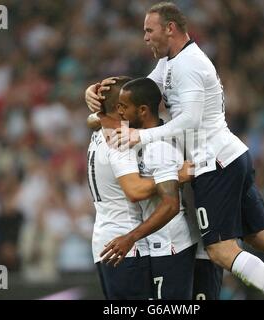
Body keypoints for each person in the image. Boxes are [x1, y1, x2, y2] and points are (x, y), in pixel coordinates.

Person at [87, 2, 264, 300]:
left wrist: (142, 137)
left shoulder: (190, 64)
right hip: (231, 155)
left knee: (220, 250)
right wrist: (93, 98)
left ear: (170, 28)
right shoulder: (169, 63)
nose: (145, 37)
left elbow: (189, 119)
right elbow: (135, 98)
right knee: (262, 236)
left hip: (213, 163)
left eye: (149, 30)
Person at [101, 78, 199, 299]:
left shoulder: (159, 148)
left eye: (124, 106)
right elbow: (100, 120)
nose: (120, 112)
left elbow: (170, 206)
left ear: (143, 110)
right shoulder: (147, 136)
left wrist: (131, 237)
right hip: (159, 244)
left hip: (170, 245)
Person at [87, 76, 153, 300]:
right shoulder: (118, 141)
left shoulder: (99, 132)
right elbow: (135, 191)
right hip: (124, 245)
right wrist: (174, 177)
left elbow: (94, 118)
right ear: (120, 107)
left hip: (104, 241)